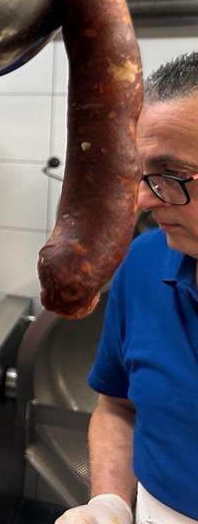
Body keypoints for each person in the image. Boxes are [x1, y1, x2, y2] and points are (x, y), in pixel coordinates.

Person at [57, 52, 198, 524]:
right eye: (141, 175)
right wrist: (109, 503)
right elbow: (118, 407)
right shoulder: (143, 263)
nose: (142, 200)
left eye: (170, 176)